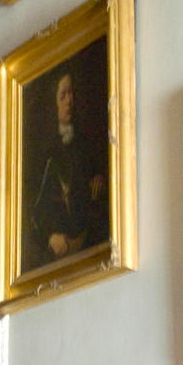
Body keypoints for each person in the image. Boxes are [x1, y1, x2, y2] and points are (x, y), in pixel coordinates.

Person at [27, 71, 108, 269]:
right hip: (57, 249)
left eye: (71, 94)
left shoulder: (84, 142)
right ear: (53, 103)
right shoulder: (44, 150)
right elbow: (34, 207)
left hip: (86, 241)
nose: (69, 101)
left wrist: (99, 179)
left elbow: (95, 178)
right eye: (63, 95)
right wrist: (49, 236)